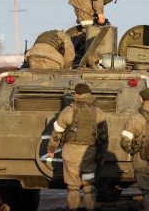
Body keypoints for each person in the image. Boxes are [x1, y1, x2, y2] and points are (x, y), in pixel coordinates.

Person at [47, 83, 108, 211]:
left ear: (76, 94)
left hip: (71, 152)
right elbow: (103, 137)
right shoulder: (98, 112)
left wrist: (51, 149)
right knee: (89, 185)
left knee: (73, 186)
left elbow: (57, 132)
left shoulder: (68, 110)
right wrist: (102, 155)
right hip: (89, 153)